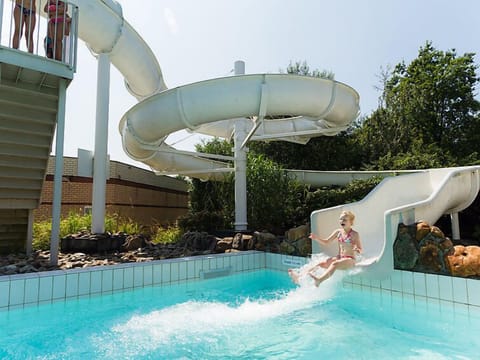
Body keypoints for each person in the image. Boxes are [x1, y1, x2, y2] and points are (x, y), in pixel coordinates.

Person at [288, 210, 363, 287]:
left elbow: (360, 249)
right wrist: (316, 238)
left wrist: (357, 249)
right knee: (321, 264)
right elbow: (326, 242)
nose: (342, 221)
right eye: (341, 219)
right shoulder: (338, 232)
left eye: (344, 219)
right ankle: (300, 277)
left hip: (350, 260)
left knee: (334, 264)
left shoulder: (354, 234)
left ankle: (319, 280)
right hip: (340, 258)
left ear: (351, 222)